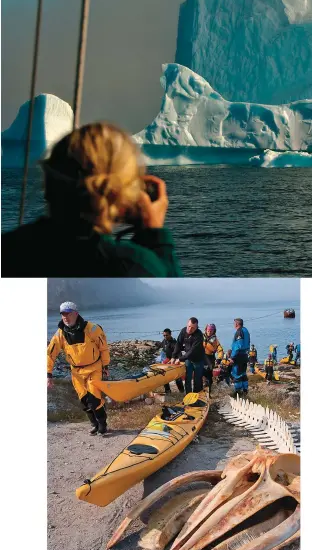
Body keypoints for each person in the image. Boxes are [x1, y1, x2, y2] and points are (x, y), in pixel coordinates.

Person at [2, 122, 182, 277]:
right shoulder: (133, 266)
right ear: (123, 194)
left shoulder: (7, 251)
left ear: (48, 185)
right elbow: (176, 305)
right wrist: (155, 236)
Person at [47, 301, 110, 435]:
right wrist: (48, 374)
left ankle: (102, 423)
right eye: (63, 314)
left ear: (76, 313)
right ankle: (94, 424)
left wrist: (105, 365)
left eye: (68, 313)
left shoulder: (92, 329)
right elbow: (50, 354)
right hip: (76, 372)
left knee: (94, 398)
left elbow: (103, 348)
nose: (65, 317)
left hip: (94, 368)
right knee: (84, 400)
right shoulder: (60, 334)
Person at [170, 317, 206, 393]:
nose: (190, 329)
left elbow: (192, 351)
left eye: (193, 328)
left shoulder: (199, 335)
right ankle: (188, 396)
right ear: (187, 324)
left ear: (196, 328)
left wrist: (180, 359)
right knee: (187, 378)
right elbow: (178, 344)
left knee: (197, 379)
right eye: (189, 326)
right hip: (188, 359)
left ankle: (197, 397)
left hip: (198, 359)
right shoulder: (183, 330)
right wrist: (173, 356)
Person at [230, 318, 250, 397]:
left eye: (234, 323)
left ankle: (238, 391)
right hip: (245, 354)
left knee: (237, 374)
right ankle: (245, 390)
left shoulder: (239, 332)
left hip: (239, 355)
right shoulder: (245, 330)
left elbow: (238, 345)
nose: (234, 325)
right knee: (243, 373)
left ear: (236, 324)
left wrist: (232, 356)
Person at [161, 329, 185, 395]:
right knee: (164, 377)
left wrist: (176, 361)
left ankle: (182, 392)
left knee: (177, 378)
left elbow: (179, 354)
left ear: (170, 334)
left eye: (166, 335)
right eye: (164, 335)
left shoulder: (174, 343)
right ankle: (168, 391)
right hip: (167, 361)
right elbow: (163, 351)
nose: (165, 336)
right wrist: (164, 360)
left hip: (174, 362)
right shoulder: (164, 341)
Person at [201, 323, 223, 393]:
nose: (209, 331)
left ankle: (208, 391)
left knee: (209, 375)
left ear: (214, 331)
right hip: (201, 357)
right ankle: (201, 389)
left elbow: (220, 350)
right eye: (208, 330)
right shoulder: (201, 336)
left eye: (211, 330)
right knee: (201, 375)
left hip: (210, 358)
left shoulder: (215, 340)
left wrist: (219, 358)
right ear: (206, 330)